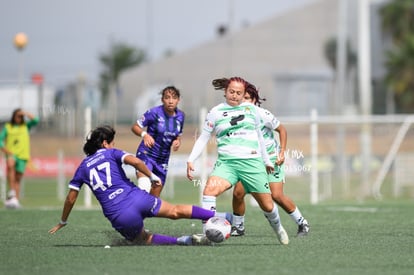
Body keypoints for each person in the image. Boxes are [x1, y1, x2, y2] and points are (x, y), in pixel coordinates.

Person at [48, 125, 231, 246]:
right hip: (138, 198)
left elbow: (71, 198)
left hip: (119, 214)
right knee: (175, 211)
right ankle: (221, 216)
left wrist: (63, 221)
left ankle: (183, 241)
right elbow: (136, 162)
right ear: (105, 144)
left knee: (142, 239)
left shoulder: (82, 167)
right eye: (112, 143)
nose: (113, 145)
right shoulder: (111, 153)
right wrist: (152, 176)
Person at [186, 77, 289, 245]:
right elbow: (204, 137)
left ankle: (278, 228)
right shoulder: (215, 112)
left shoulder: (252, 109)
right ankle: (208, 234)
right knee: (209, 191)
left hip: (252, 163)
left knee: (268, 206)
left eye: (239, 93)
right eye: (231, 92)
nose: (234, 95)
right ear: (225, 92)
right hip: (227, 163)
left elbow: (260, 137)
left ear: (243, 95)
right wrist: (191, 159)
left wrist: (266, 161)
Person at [230, 83, 310, 237]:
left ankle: (302, 223)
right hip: (251, 161)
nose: (244, 101)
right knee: (238, 193)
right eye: (242, 98)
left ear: (254, 100)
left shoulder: (262, 114)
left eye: (248, 98)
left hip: (272, 160)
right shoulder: (236, 116)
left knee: (277, 196)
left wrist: (282, 153)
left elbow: (282, 130)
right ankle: (238, 227)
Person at [131, 86, 185, 197]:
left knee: (153, 200)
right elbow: (135, 127)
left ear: (178, 100)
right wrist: (144, 135)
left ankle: (137, 211)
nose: (170, 101)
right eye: (167, 97)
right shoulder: (154, 112)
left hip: (163, 160)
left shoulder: (181, 116)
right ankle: (127, 211)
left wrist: (177, 141)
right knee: (144, 186)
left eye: (174, 98)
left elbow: (178, 135)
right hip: (147, 155)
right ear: (162, 100)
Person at [0, 108, 39, 209]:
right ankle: (12, 191)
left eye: (21, 116)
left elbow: (36, 120)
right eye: (18, 116)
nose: (19, 118)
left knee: (18, 179)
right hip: (11, 154)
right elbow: (0, 140)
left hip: (23, 156)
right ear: (13, 116)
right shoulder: (8, 127)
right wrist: (6, 151)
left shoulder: (25, 126)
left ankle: (15, 200)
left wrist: (25, 113)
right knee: (10, 164)